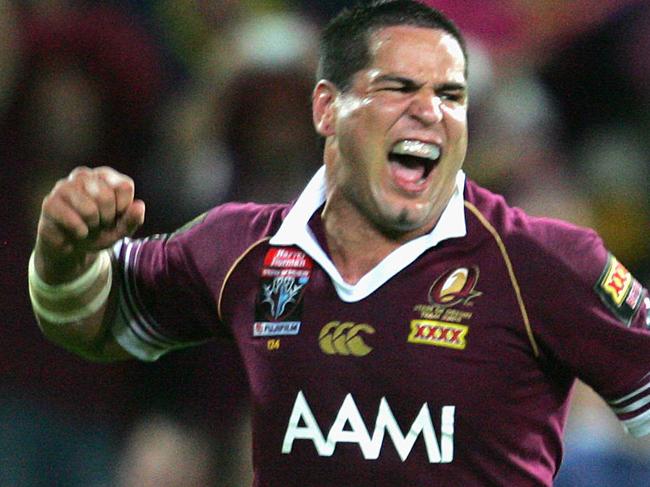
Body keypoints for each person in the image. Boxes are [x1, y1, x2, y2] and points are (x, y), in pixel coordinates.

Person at [28, 1, 650, 485]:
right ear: (328, 108)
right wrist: (64, 254)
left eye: (451, 95)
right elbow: (93, 322)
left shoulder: (541, 263)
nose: (430, 111)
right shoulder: (243, 250)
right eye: (399, 88)